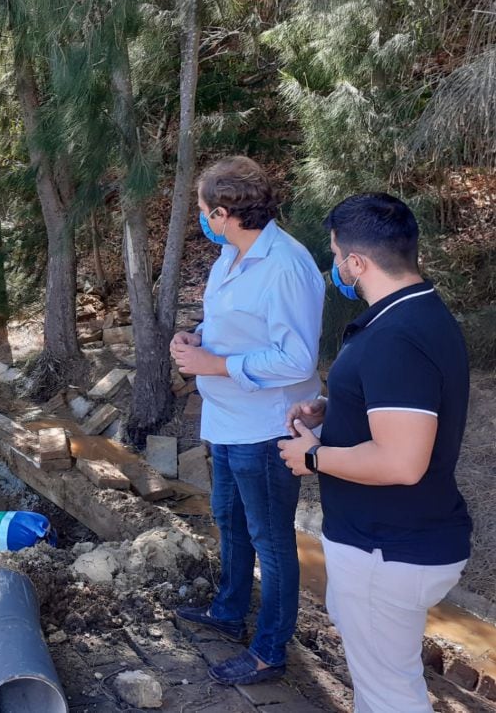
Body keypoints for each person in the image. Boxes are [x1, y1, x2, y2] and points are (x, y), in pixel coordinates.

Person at [279, 193, 471, 713]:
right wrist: (335, 407)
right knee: (382, 684)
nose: (334, 266)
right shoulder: (416, 313)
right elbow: (402, 410)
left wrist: (313, 457)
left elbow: (400, 461)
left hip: (387, 548)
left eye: (336, 254)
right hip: (391, 542)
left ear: (357, 263)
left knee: (390, 696)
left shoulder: (396, 336)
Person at [170, 156, 325, 686]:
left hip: (267, 427)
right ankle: (229, 611)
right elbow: (233, 326)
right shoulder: (232, 256)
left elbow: (297, 359)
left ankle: (269, 651)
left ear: (222, 213)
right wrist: (196, 339)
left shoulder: (287, 265)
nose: (201, 221)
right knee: (230, 521)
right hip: (227, 420)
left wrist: (215, 364)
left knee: (272, 539)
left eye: (202, 213)